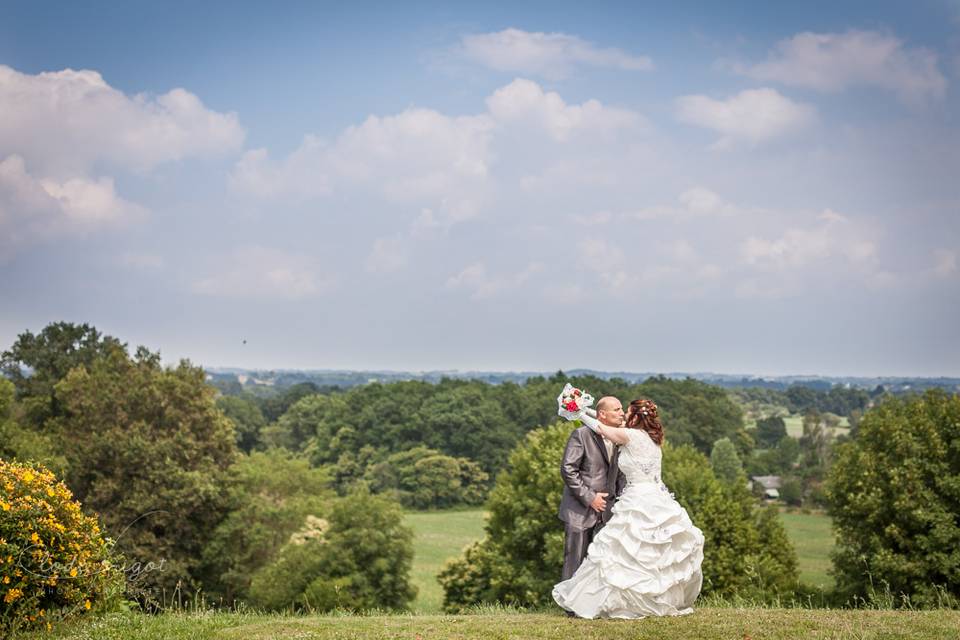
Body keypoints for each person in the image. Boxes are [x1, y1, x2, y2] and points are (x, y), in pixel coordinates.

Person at [553, 398, 704, 619]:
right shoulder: (650, 439)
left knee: (625, 552)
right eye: (619, 410)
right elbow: (600, 426)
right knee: (647, 553)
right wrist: (584, 409)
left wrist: (576, 413)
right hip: (654, 497)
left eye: (626, 411)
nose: (623, 414)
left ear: (635, 416)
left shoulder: (629, 436)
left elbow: (599, 426)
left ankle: (620, 602)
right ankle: (653, 598)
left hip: (636, 499)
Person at [557, 396, 627, 585]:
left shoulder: (620, 438)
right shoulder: (581, 434)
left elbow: (620, 475)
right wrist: (590, 498)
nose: (622, 413)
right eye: (617, 409)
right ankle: (570, 606)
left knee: (604, 562)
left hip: (609, 512)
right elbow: (568, 469)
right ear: (602, 414)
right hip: (580, 510)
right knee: (575, 560)